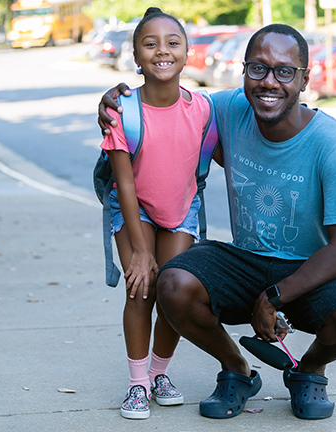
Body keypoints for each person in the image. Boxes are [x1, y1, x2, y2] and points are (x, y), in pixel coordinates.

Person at [98, 23, 336, 420]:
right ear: (243, 71)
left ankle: (309, 371)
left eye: (284, 71)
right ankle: (237, 368)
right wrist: (117, 102)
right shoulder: (227, 110)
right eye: (257, 69)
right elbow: (168, 104)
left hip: (308, 269)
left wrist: (275, 296)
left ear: (304, 79)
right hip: (245, 261)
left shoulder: (333, 143)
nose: (269, 82)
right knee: (174, 284)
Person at [98, 7, 215, 420]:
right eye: (150, 44)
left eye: (172, 43)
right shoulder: (122, 111)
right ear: (135, 56)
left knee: (173, 292)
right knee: (141, 286)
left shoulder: (203, 108)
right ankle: (137, 383)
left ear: (187, 53)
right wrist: (141, 250)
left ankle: (159, 373)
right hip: (134, 208)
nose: (162, 51)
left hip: (180, 209)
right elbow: (125, 184)